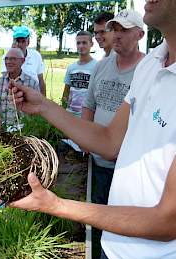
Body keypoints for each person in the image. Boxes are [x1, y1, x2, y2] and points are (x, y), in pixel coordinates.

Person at [8, 0, 176, 259]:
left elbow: (167, 220)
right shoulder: (151, 64)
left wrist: (56, 205)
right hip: (113, 253)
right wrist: (44, 107)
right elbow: (110, 142)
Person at [82, 9, 145, 205]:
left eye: (124, 30)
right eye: (114, 29)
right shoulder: (101, 67)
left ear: (140, 35)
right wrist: (86, 141)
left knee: (125, 214)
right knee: (98, 208)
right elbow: (89, 106)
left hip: (130, 164)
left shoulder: (148, 68)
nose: (117, 35)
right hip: (98, 160)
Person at [0, 48, 39, 129]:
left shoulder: (32, 83)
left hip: (24, 132)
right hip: (2, 131)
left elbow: (37, 111)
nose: (8, 62)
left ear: (22, 61)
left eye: (13, 59)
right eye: (6, 59)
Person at [1, 26, 46, 96]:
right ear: (13, 41)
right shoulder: (7, 56)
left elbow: (41, 80)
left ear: (28, 42)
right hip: (14, 96)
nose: (20, 45)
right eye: (17, 41)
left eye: (23, 41)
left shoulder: (36, 56)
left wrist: (44, 101)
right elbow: (5, 79)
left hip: (33, 96)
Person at [62, 31, 97, 117]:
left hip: (87, 116)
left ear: (91, 44)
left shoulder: (97, 66)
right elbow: (66, 91)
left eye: (84, 43)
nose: (81, 46)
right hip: (70, 114)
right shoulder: (71, 67)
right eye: (78, 43)